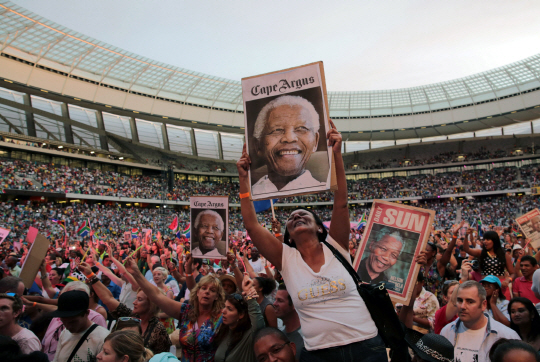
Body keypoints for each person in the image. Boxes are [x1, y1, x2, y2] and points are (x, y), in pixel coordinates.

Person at [238, 121, 387, 361]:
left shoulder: (336, 245)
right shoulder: (286, 259)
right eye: (291, 217)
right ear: (288, 235)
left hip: (365, 347)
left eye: (303, 213)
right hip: (318, 354)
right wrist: (243, 179)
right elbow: (252, 225)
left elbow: (340, 201)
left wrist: (336, 154)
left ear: (319, 227)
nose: (296, 215)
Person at [124, 255, 225, 361]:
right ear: (197, 292)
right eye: (204, 288)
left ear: (217, 296)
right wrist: (136, 272)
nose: (207, 292)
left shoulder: (222, 317)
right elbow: (157, 296)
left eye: (212, 290)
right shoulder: (186, 311)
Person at [79, 262, 172, 355]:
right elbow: (109, 299)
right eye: (136, 298)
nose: (134, 302)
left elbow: (161, 357)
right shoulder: (129, 318)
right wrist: (90, 275)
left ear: (151, 305)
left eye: (139, 300)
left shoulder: (159, 330)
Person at [251, 95, 326, 196]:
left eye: (301, 128)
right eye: (277, 130)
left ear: (315, 141)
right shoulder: (251, 193)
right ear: (258, 145)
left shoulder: (324, 190)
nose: (289, 138)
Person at [440, 281, 520, 362]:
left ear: (483, 305)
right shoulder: (447, 332)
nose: (462, 306)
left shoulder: (507, 336)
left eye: (470, 302)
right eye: (460, 300)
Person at [40, 281, 107, 361]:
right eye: (63, 321)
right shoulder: (64, 333)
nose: (68, 326)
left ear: (87, 313)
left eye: (73, 322)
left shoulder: (103, 338)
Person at [214, 275, 265, 361]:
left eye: (229, 309)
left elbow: (258, 323)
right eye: (224, 307)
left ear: (241, 314)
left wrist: (250, 296)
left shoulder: (250, 336)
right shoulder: (223, 331)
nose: (223, 311)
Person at [273, 284, 304, 360]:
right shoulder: (280, 335)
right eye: (275, 299)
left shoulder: (306, 336)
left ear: (294, 304)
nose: (274, 304)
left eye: (280, 300)